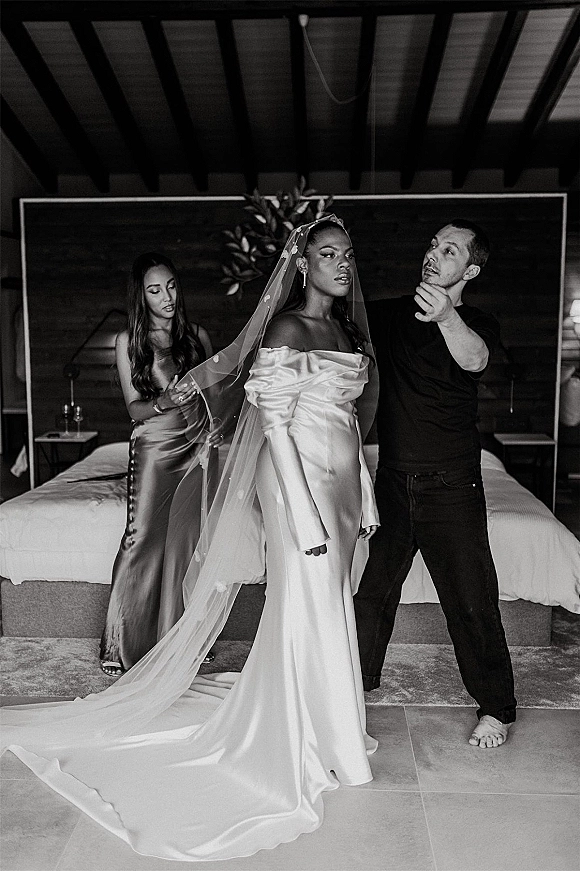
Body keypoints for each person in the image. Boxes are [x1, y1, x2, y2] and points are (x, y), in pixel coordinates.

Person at [2, 216, 381, 862]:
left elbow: (345, 418)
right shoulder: (285, 330)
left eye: (347, 253)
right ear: (303, 263)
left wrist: (363, 494)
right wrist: (305, 515)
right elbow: (274, 422)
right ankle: (318, 738)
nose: (342, 264)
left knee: (332, 601)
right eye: (328, 253)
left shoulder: (344, 331)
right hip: (295, 486)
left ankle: (328, 723)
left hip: (339, 485)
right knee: (308, 600)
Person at [354, 219, 517, 749]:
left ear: (469, 271)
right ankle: (354, 688)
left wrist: (446, 316)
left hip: (452, 487)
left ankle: (496, 709)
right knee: (373, 595)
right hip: (393, 481)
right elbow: (336, 320)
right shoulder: (389, 315)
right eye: (432, 245)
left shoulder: (477, 323)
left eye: (449, 250)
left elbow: (476, 359)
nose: (434, 254)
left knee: (471, 601)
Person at [100, 252, 218, 676]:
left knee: (189, 542)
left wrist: (214, 433)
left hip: (197, 446)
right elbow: (133, 409)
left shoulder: (197, 336)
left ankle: (184, 639)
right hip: (155, 446)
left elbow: (216, 394)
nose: (167, 297)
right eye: (155, 290)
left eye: (170, 286)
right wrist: (164, 401)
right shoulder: (128, 342)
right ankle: (119, 642)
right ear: (142, 297)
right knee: (143, 538)